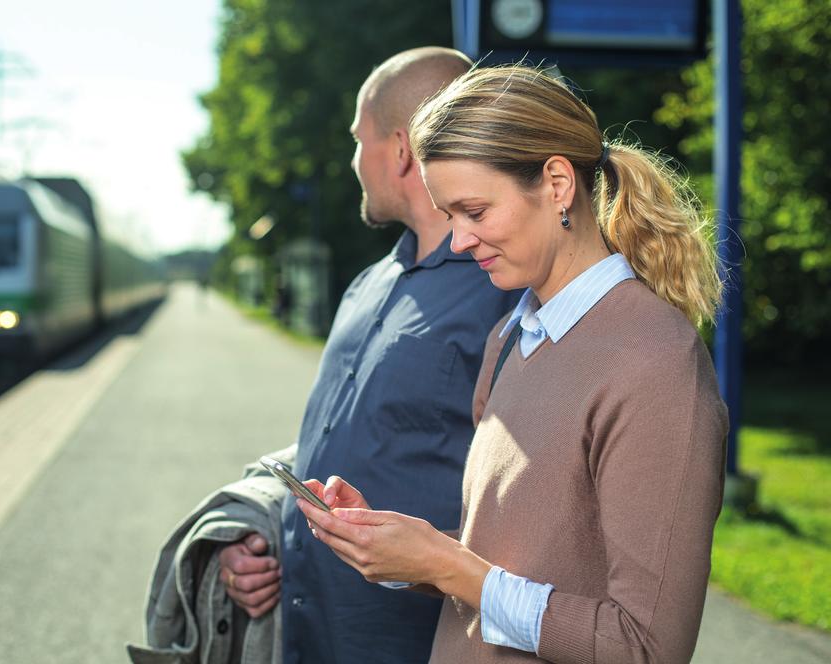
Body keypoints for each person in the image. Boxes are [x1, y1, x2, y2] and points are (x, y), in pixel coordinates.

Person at [297, 64, 728, 664]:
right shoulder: (510, 337)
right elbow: (507, 564)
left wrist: (447, 566)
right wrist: (402, 552)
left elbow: (643, 646)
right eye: (449, 216)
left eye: (474, 211)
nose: (459, 241)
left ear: (556, 183)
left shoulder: (656, 361)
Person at [217, 48, 520, 663]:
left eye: (361, 140)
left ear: (403, 149)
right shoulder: (367, 285)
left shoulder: (506, 294)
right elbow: (342, 441)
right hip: (310, 635)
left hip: (412, 645)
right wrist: (259, 537)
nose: (354, 161)